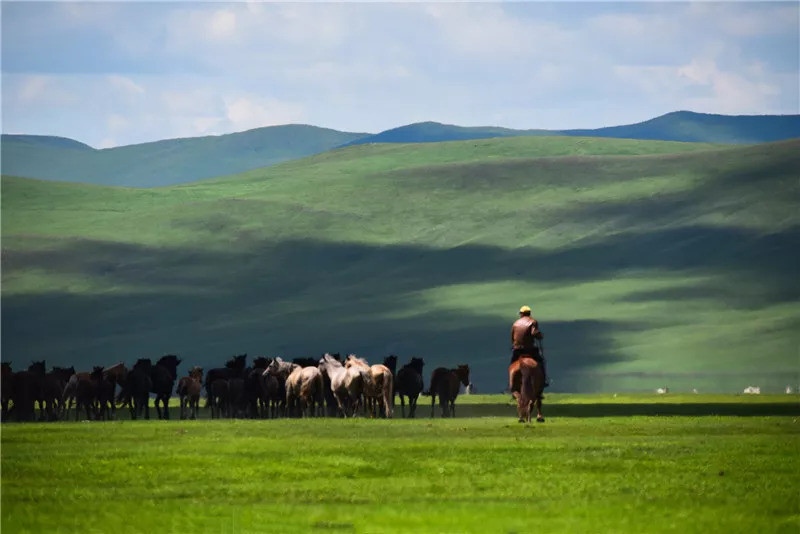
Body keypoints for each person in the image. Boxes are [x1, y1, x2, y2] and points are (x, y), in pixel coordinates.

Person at [510, 305, 548, 387]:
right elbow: (534, 333)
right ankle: (544, 380)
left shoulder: (515, 323)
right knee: (541, 361)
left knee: (512, 364)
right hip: (529, 349)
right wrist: (539, 336)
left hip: (517, 349)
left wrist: (514, 345)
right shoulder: (533, 322)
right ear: (529, 313)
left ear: (521, 314)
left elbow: (512, 337)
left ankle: (511, 383)